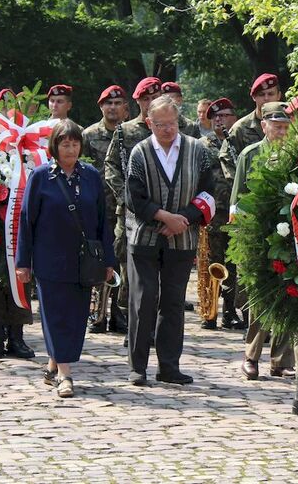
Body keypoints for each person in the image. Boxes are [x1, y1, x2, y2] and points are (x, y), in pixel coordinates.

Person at [16, 119, 115, 398]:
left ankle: (52, 366)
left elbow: (101, 222)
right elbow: (26, 222)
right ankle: (65, 374)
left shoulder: (92, 176)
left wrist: (108, 260)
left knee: (75, 317)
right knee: (55, 315)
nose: (70, 149)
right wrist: (23, 263)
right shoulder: (40, 176)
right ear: (54, 147)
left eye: (74, 143)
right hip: (50, 260)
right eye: (64, 144)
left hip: (83, 262)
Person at [125, 95, 215, 386]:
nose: (167, 130)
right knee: (144, 298)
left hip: (182, 238)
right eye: (161, 124)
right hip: (145, 239)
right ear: (150, 123)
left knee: (173, 302)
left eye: (172, 123)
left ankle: (169, 366)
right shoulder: (139, 152)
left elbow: (208, 193)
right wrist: (164, 218)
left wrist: (183, 220)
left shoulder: (196, 150)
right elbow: (134, 198)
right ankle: (138, 366)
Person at [232, 101, 296, 381]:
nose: (281, 132)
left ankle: (281, 360)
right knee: (260, 300)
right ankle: (251, 356)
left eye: (285, 127)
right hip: (258, 235)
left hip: (289, 236)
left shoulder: (296, 155)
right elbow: (237, 202)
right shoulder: (251, 154)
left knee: (289, 296)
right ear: (264, 126)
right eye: (276, 126)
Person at [106, 76, 164, 345]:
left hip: (165, 215)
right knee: (131, 274)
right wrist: (127, 197)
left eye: (155, 97)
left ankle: (155, 328)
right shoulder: (124, 132)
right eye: (146, 99)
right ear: (138, 102)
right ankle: (134, 328)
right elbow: (111, 167)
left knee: (162, 275)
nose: (151, 102)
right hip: (131, 215)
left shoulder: (174, 128)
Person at [83, 84, 129, 335]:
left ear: (126, 108)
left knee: (122, 260)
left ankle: (119, 313)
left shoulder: (131, 134)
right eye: (108, 103)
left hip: (124, 208)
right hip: (97, 208)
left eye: (117, 103)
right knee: (97, 259)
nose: (112, 107)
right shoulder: (89, 135)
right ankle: (96, 313)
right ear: (101, 107)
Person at [199, 97, 245, 330]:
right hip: (212, 214)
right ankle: (209, 311)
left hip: (233, 213)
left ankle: (229, 312)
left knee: (232, 264)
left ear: (234, 118)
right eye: (215, 116)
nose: (220, 120)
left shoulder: (238, 144)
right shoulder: (201, 145)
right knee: (211, 262)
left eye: (225, 115)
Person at [218, 73, 283, 182]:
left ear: (279, 95)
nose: (266, 98)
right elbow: (227, 161)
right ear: (254, 97)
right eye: (261, 94)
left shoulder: (288, 126)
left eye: (271, 94)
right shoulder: (240, 128)